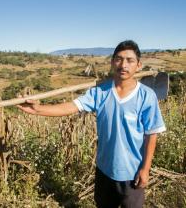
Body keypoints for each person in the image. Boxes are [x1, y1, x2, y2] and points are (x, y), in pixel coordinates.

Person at [17, 40, 166, 208]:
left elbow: (151, 134)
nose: (123, 64)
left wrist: (145, 169)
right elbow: (71, 107)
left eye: (129, 60)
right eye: (118, 59)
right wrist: (38, 109)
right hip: (104, 170)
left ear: (138, 65)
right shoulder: (100, 92)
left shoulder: (147, 96)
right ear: (112, 62)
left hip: (132, 173)